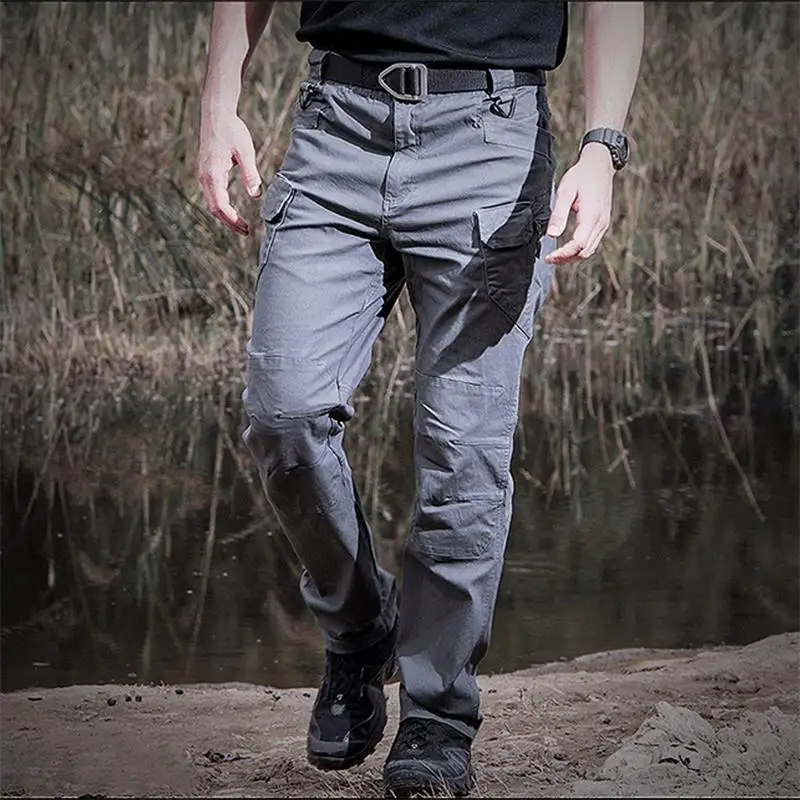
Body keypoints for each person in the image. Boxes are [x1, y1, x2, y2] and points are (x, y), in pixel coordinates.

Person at [198, 2, 643, 795]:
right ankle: (360, 627)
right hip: (337, 128)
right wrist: (217, 99)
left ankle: (438, 714)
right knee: (284, 412)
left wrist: (602, 146)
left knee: (462, 456)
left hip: (490, 140)